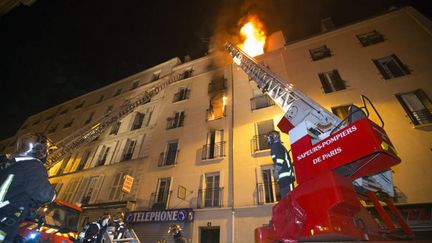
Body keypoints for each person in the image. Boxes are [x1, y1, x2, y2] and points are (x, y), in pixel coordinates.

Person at [0, 133, 56, 242]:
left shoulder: (9, 165)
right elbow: (45, 195)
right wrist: (53, 193)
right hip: (5, 222)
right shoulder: (34, 167)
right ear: (42, 151)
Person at [267, 130, 295, 198]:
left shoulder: (275, 146)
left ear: (274, 137)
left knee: (289, 200)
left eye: (268, 138)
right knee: (287, 201)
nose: (268, 140)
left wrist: (276, 172)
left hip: (286, 178)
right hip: (285, 178)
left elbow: (280, 159)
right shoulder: (279, 146)